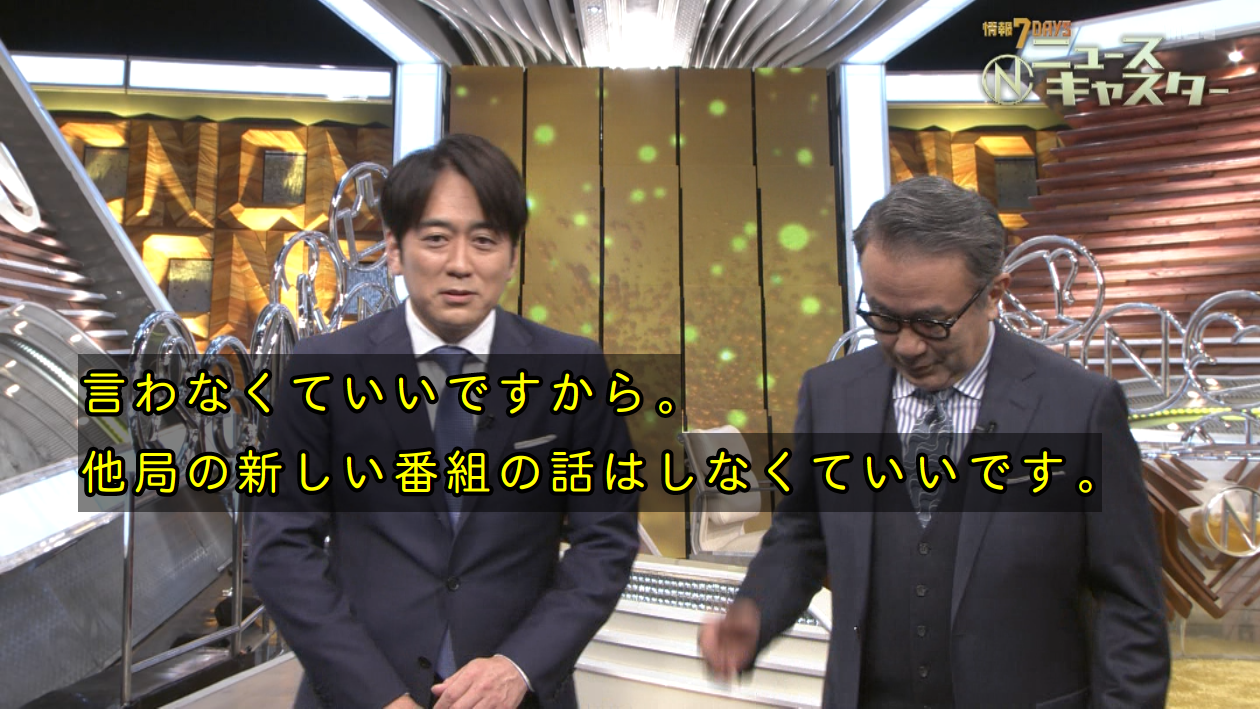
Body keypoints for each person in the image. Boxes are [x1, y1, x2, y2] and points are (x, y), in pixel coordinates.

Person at [699, 176, 1169, 708]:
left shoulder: (1079, 408)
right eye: (883, 316)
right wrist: (756, 611)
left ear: (994, 295)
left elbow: (1130, 603)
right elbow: (802, 534)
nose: (906, 345)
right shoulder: (832, 395)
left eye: (931, 322)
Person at [248, 134, 639, 709]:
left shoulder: (571, 366)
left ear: (512, 256)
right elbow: (281, 547)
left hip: (517, 696)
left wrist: (518, 666)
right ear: (394, 249)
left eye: (485, 240)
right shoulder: (323, 367)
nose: (460, 264)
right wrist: (377, 695)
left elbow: (605, 539)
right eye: (436, 239)